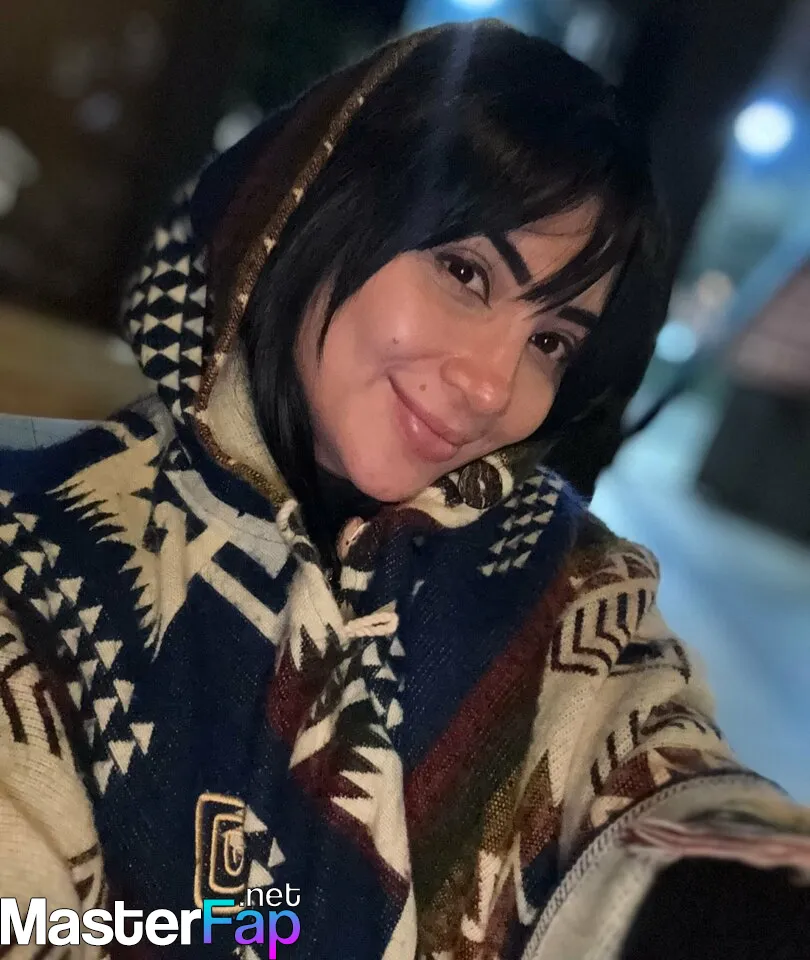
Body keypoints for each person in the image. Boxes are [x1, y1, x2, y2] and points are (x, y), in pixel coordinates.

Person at [0, 19, 808, 960]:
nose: (492, 387)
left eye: (551, 341)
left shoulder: (559, 575)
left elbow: (666, 784)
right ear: (314, 211)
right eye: (466, 273)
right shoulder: (42, 558)